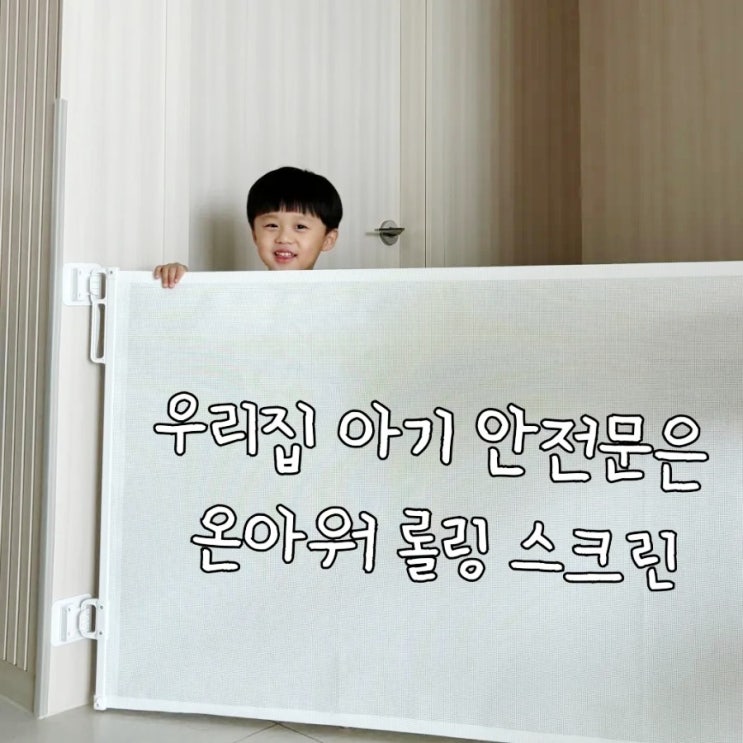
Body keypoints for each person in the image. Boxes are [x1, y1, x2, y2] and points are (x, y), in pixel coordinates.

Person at [154, 166, 342, 287]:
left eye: (300, 227)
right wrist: (179, 281)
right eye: (271, 225)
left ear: (328, 239)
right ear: (254, 235)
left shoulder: (341, 299)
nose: (284, 238)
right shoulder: (236, 296)